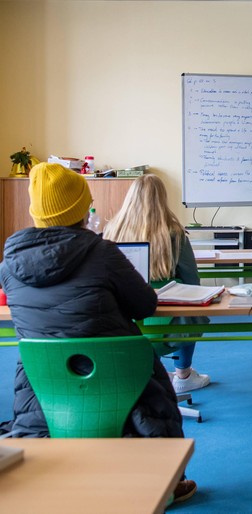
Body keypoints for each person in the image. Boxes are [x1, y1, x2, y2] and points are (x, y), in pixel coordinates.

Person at [0, 163, 196, 502]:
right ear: (79, 210)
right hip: (122, 379)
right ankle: (166, 482)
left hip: (43, 386)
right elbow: (145, 305)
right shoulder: (102, 253)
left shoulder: (9, 265)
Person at [103, 174, 210, 394]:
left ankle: (149, 372)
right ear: (162, 199)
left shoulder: (111, 230)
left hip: (122, 328)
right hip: (170, 328)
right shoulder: (175, 233)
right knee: (194, 314)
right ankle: (183, 375)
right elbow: (193, 281)